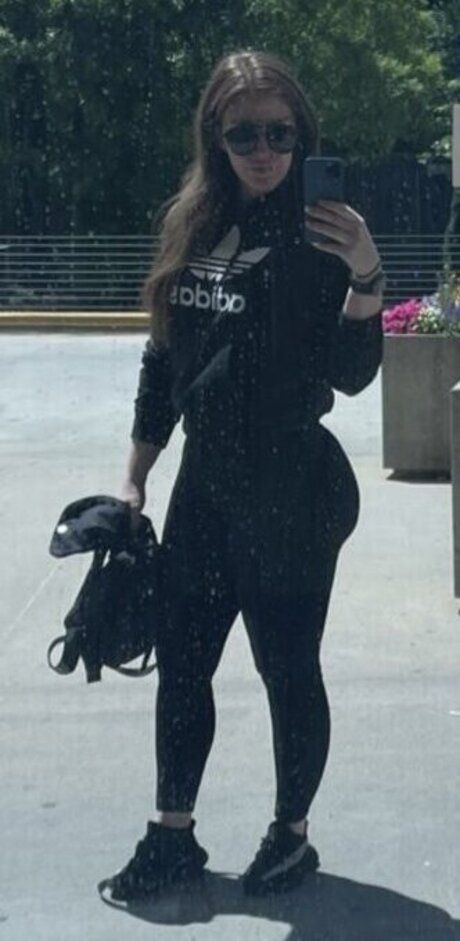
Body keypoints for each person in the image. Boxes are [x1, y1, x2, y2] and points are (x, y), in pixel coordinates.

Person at [99, 49, 384, 903]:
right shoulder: (191, 223)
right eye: (242, 135)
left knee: (286, 668)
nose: (263, 151)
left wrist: (367, 275)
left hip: (294, 485)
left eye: (278, 134)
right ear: (214, 138)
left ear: (302, 136)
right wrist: (135, 477)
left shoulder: (325, 232)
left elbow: (351, 374)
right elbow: (165, 359)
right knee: (182, 665)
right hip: (206, 486)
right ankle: (172, 833)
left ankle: (291, 834)